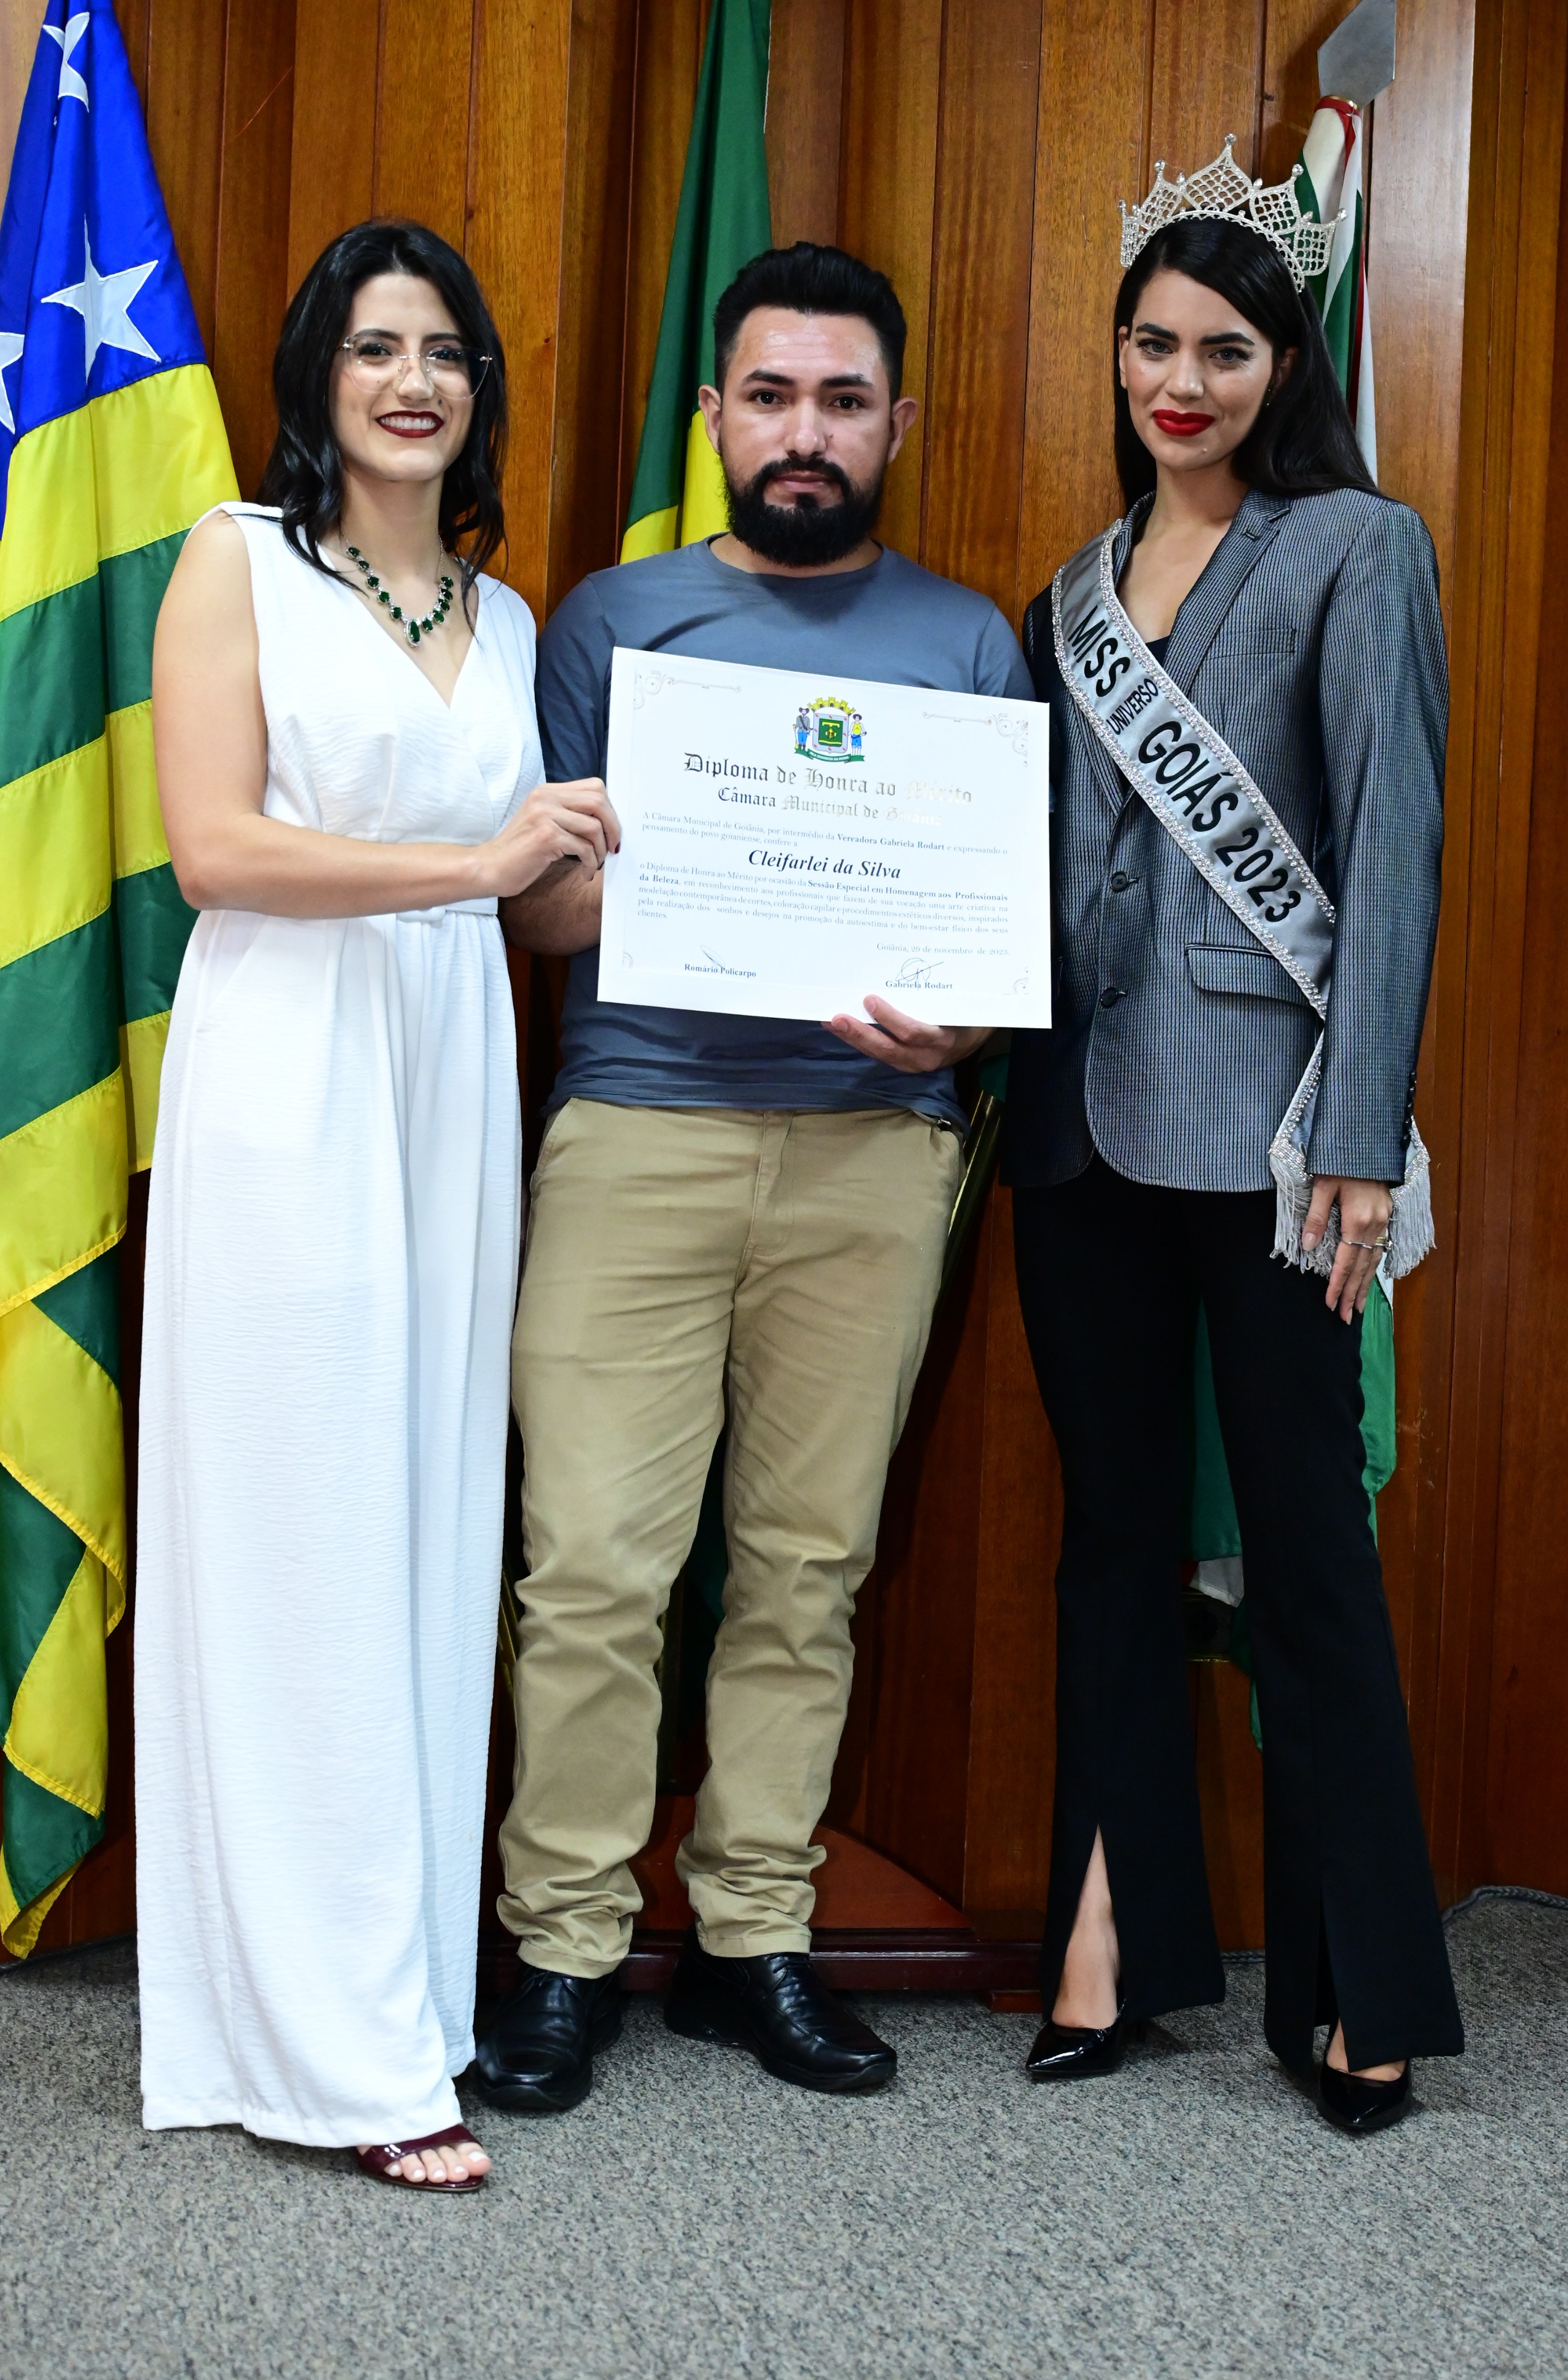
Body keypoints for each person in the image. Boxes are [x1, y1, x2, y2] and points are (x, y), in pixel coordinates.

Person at [473, 241, 1028, 2111]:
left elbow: (989, 930)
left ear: (896, 424)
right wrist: (646, 873)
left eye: (843, 400)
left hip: (875, 1152)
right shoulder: (613, 623)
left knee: (806, 1568)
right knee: (592, 1567)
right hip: (640, 1133)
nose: (806, 432)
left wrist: (960, 1026)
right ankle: (561, 1947)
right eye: (771, 396)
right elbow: (543, 921)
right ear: (715, 415)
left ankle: (751, 1940)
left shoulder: (967, 642)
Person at [135, 219, 617, 2190]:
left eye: (445, 352)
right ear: (317, 378)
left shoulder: (506, 619)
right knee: (301, 1525)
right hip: (289, 1069)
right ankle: (328, 2055)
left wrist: (649, 870)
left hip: (446, 1084)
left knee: (423, 1517)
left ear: (478, 390)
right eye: (374, 347)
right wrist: (480, 868)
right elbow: (213, 850)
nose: (413, 382)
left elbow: (541, 906)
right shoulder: (233, 561)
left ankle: (395, 2000)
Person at [1005, 152, 1464, 2134]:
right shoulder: (1068, 592)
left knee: (1304, 1559)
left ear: (1285, 364)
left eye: (1221, 350)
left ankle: (1358, 1990)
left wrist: (1358, 1136)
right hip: (1073, 1133)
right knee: (1109, 1539)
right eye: (1150, 345)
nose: (1178, 384)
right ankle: (1110, 1945)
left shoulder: (1356, 546)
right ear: (1114, 356)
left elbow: (1391, 846)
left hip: (1273, 1141)